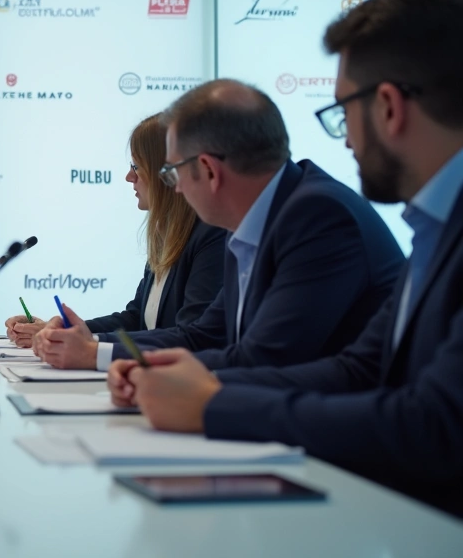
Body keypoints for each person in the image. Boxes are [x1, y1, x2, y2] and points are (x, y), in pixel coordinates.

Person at [109, 0, 463, 518]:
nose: (345, 139)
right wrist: (193, 378)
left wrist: (213, 402)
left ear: (389, 107)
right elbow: (357, 368)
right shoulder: (436, 226)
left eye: (344, 112)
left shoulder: (319, 214)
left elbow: (433, 425)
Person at [32, 78, 405, 371]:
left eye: (173, 171)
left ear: (208, 170)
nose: (173, 187)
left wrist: (107, 358)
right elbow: (205, 336)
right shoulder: (257, 221)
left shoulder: (317, 217)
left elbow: (262, 359)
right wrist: (99, 351)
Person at [3, 113, 226, 370]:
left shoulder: (210, 235)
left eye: (136, 167)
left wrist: (91, 347)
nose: (129, 177)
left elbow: (192, 337)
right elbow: (136, 318)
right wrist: (64, 332)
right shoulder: (165, 234)